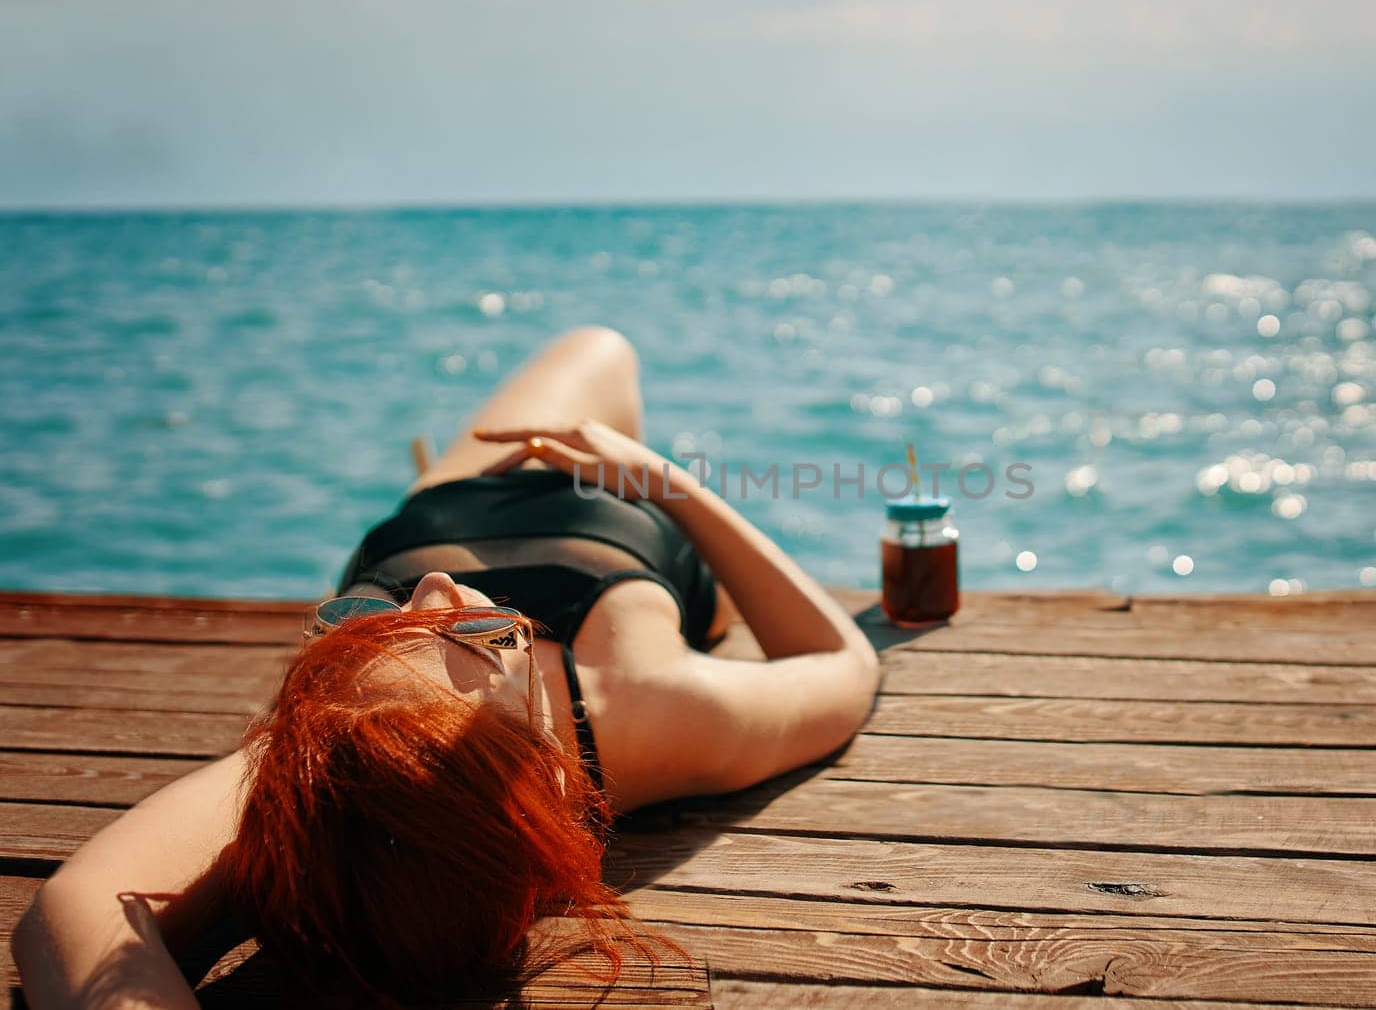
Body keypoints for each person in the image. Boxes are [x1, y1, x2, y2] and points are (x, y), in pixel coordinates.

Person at [12, 326, 882, 1008]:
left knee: (598, 348)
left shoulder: (325, 770)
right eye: (479, 636)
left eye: (366, 630)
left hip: (445, 500)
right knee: (601, 351)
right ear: (536, 754)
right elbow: (842, 660)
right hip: (627, 528)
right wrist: (659, 482)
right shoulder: (652, 706)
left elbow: (74, 913)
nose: (432, 589)